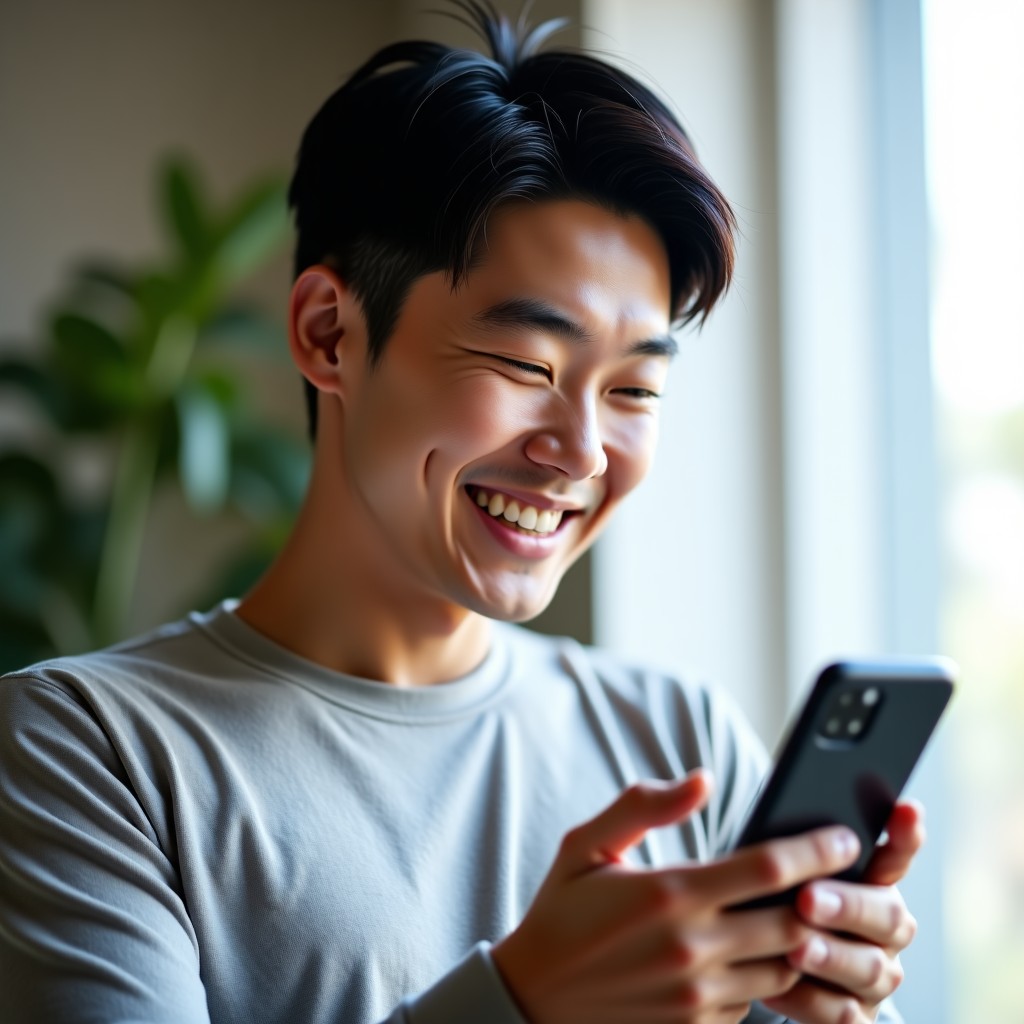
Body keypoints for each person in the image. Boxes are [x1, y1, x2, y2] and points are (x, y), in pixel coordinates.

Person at [0, 4, 922, 1022]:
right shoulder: (83, 752)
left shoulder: (679, 742)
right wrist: (520, 1003)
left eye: (632, 392)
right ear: (328, 333)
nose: (580, 450)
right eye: (525, 364)